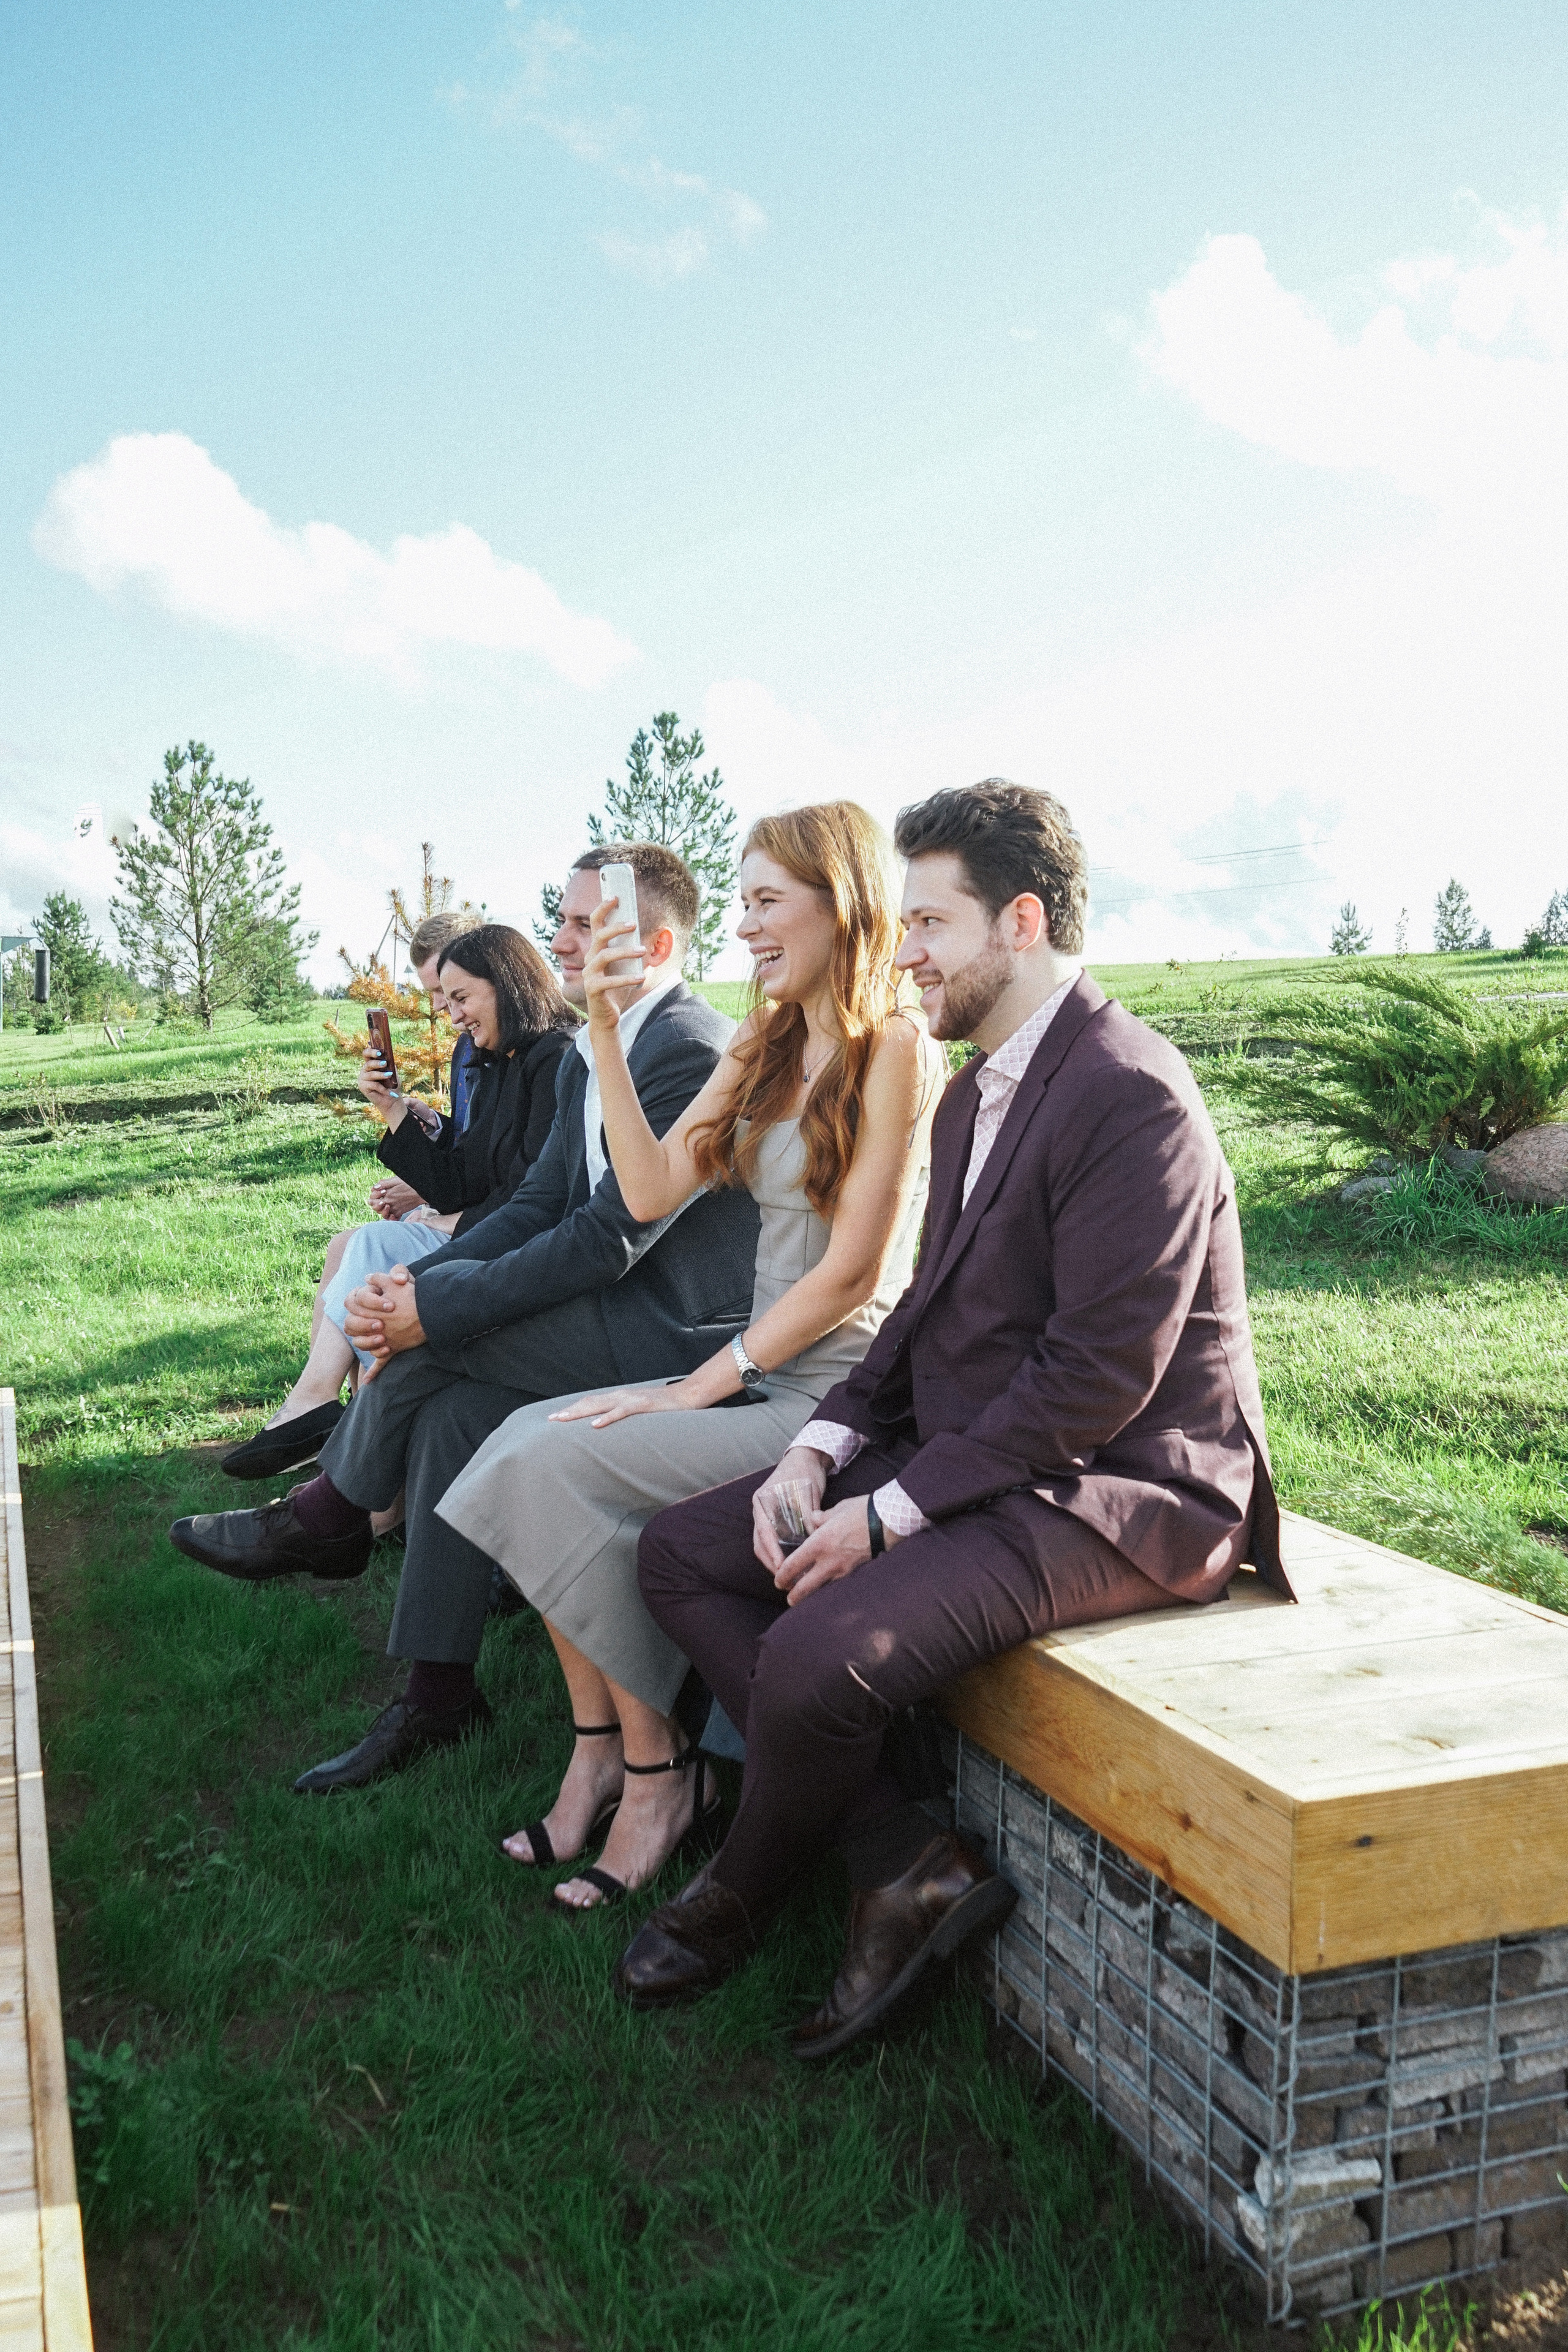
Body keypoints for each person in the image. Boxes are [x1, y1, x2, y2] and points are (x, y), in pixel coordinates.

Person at [616, 778, 1291, 2059]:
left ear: (1018, 922)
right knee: (683, 1556)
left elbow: (1098, 1379)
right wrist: (816, 1451)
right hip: (989, 1446)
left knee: (817, 1656)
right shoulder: (981, 1089)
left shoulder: (1130, 1092)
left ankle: (739, 1898)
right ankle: (898, 1857)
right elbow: (921, 1308)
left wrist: (883, 1514)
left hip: (1127, 1489)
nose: (903, 949)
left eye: (928, 924)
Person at [168, 843, 761, 1794]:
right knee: (445, 1407)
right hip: (608, 1303)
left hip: (680, 1335)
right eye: (562, 919)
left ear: (650, 944)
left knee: (437, 1341)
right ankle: (438, 1689)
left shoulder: (689, 1047)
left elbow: (612, 1238)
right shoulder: (597, 1049)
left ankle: (327, 1514)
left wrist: (432, 1305)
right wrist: (428, 1281)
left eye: (580, 923)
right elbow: (539, 1202)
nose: (557, 939)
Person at [437, 802, 946, 1910]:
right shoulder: (767, 1040)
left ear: (839, 903)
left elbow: (855, 1274)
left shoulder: (896, 1046)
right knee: (526, 1444)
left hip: (832, 1393)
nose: (749, 925)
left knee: (547, 1460)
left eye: (768, 901)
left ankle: (657, 1775)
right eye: (747, 900)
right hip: (756, 1370)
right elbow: (653, 1185)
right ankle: (617, 1758)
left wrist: (701, 1382)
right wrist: (609, 1032)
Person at [221, 907, 486, 1482]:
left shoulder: (516, 1047)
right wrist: (425, 1124)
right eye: (435, 994)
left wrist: (420, 1179)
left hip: (493, 1219)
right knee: (344, 1244)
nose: (441, 1008)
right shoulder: (471, 1047)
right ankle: (332, 1423)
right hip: (470, 1203)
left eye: (447, 991)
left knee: (367, 1248)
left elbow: (501, 1167)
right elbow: (474, 1141)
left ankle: (327, 1424)